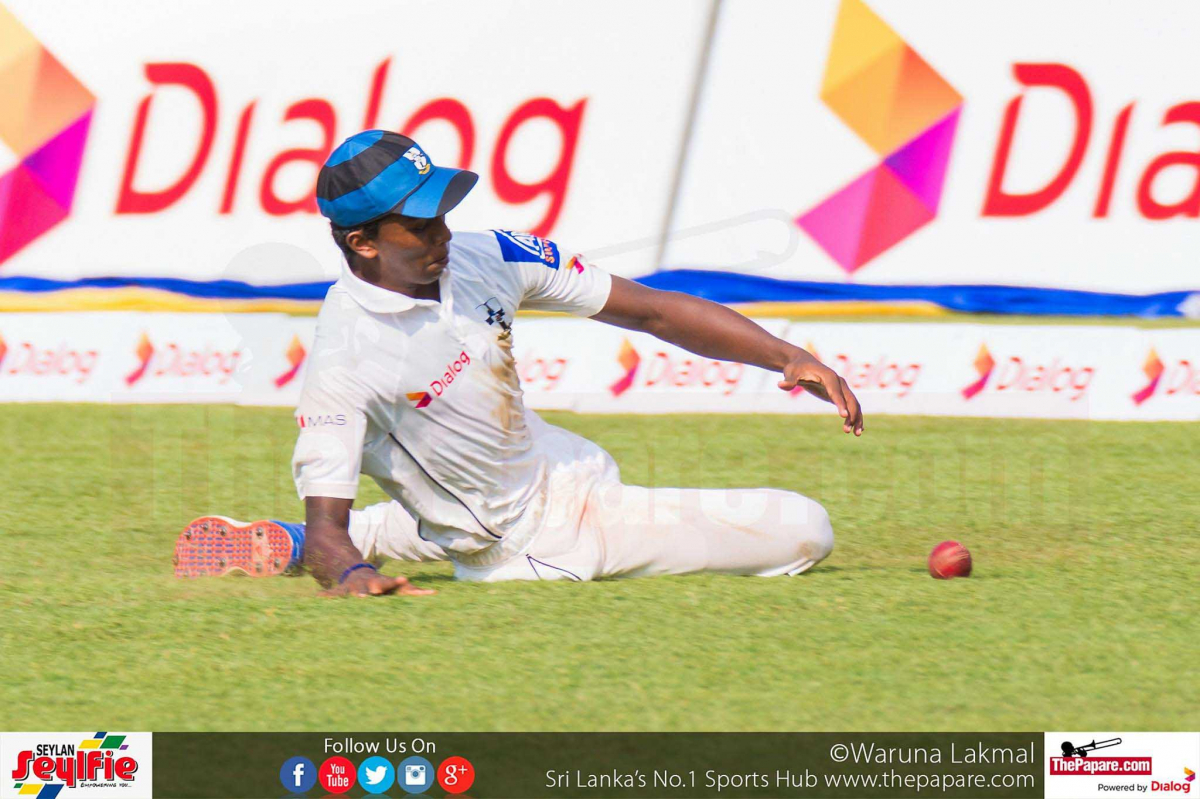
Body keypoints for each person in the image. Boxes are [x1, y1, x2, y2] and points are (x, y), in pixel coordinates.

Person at [172, 130, 863, 596]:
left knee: (461, 503)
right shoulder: (344, 360)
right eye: (419, 225)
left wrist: (788, 355)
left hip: (564, 468)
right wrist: (350, 575)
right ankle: (357, 542)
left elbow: (651, 311)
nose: (443, 234)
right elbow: (330, 520)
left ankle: (303, 542)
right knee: (805, 527)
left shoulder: (489, 254)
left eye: (443, 213)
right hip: (538, 545)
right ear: (363, 242)